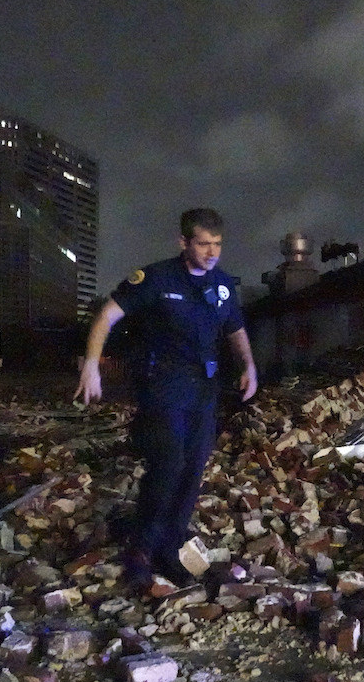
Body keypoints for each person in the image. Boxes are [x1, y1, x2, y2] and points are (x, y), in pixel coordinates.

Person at [75, 207, 257, 586]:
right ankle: (142, 549)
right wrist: (91, 364)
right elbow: (107, 315)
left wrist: (248, 366)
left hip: (204, 392)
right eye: (203, 244)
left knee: (192, 471)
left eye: (217, 244)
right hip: (163, 388)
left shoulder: (222, 285)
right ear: (184, 242)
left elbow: (235, 330)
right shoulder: (156, 278)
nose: (211, 252)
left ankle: (171, 548)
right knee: (168, 465)